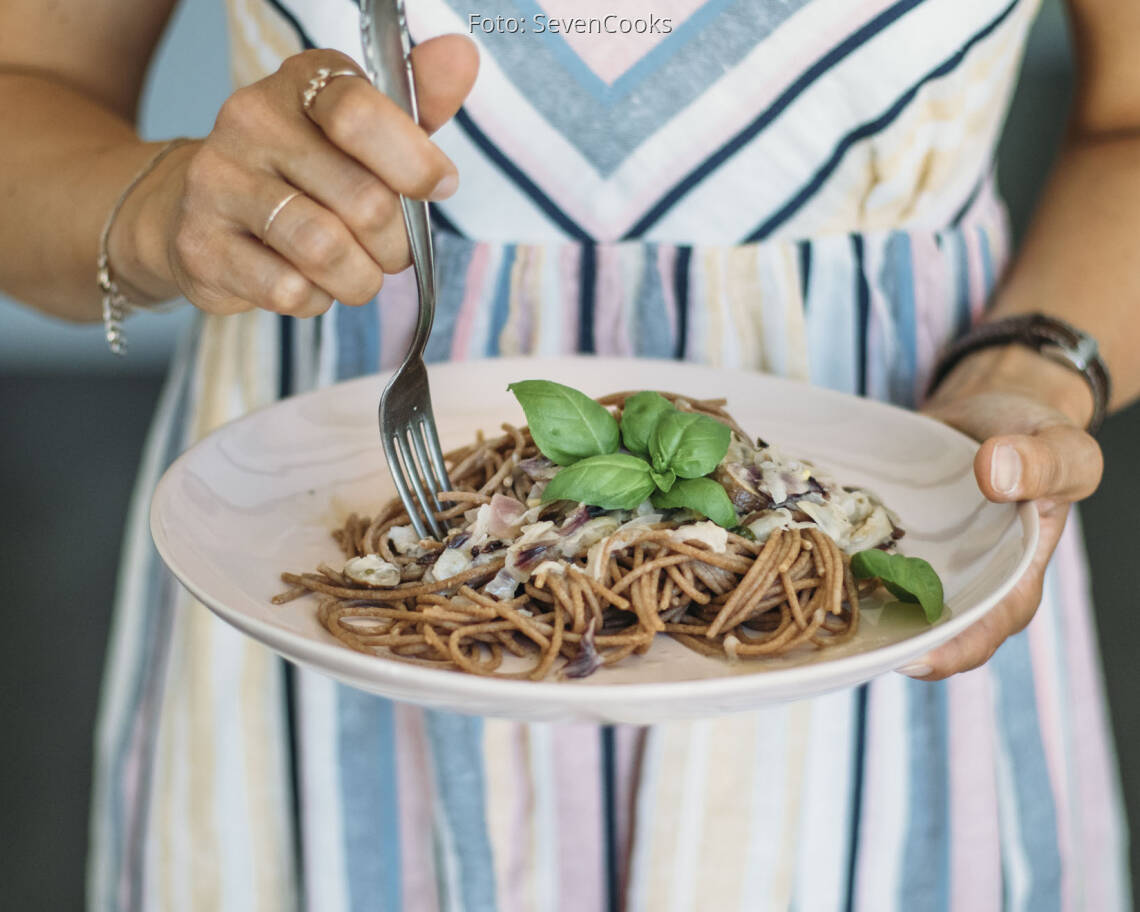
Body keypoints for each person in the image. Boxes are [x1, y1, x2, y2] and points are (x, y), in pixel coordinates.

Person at [0, 0, 1132, 908]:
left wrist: (1029, 368)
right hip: (328, 585)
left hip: (882, 602)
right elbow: (29, 90)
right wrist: (164, 211)